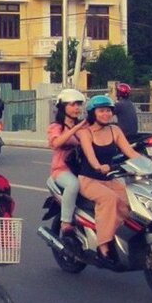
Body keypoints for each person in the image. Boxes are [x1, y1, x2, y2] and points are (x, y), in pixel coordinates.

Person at [76, 95, 142, 259]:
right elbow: (91, 157)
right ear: (93, 113)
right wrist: (99, 166)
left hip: (110, 178)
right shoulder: (86, 133)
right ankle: (103, 244)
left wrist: (150, 164)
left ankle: (120, 236)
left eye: (108, 111)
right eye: (101, 111)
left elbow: (131, 152)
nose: (105, 114)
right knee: (109, 199)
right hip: (89, 179)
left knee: (131, 200)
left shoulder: (115, 130)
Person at [47, 89, 88, 234]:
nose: (77, 108)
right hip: (61, 170)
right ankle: (65, 222)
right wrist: (74, 129)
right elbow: (55, 143)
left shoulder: (85, 126)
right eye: (72, 104)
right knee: (73, 184)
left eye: (79, 104)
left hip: (82, 168)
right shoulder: (56, 127)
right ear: (63, 107)